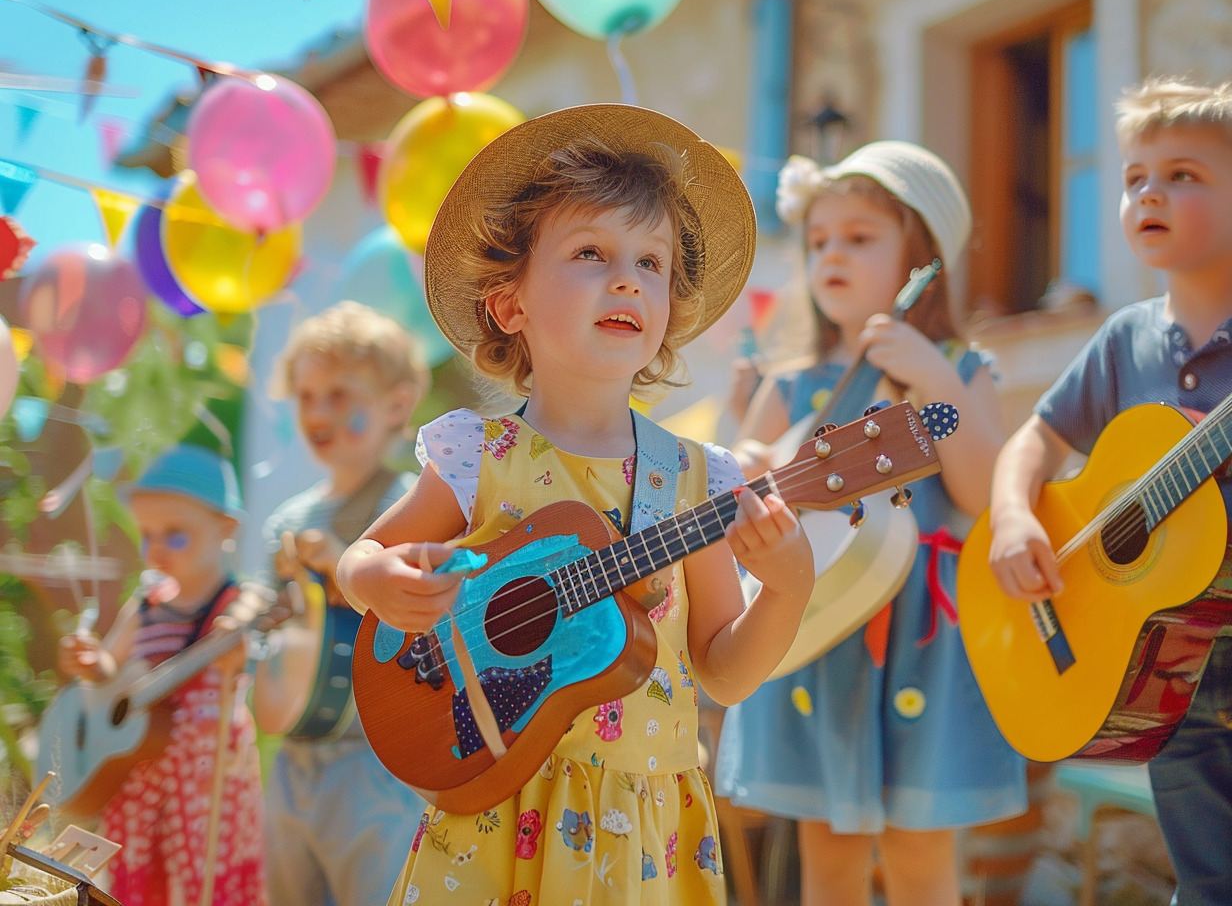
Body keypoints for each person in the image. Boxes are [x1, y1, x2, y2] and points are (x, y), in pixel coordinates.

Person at [334, 103, 815, 906]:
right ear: (511, 305)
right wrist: (377, 583)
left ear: (665, 315)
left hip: (642, 833)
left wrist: (789, 587)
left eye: (651, 262)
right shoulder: (474, 455)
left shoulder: (700, 480)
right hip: (490, 799)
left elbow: (723, 672)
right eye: (591, 252)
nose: (627, 277)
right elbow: (362, 560)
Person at [714, 142, 1027, 906]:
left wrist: (936, 381)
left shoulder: (958, 366)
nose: (831, 255)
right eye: (819, 241)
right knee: (830, 855)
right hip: (820, 621)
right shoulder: (794, 385)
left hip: (924, 633)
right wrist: (747, 453)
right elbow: (747, 485)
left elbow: (985, 490)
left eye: (859, 237)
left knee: (921, 860)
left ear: (921, 257)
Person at [987, 76, 1232, 906]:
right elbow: (1037, 438)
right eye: (1134, 178)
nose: (1149, 192)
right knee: (1207, 881)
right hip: (1165, 667)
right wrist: (1016, 517)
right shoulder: (1126, 340)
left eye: (1183, 175)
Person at [252, 300, 430, 906]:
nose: (318, 412)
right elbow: (265, 624)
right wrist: (249, 614)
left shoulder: (413, 507)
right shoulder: (289, 519)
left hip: (377, 769)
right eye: (306, 396)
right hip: (295, 760)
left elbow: (429, 625)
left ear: (397, 407)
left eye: (339, 394)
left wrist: (344, 565)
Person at [54, 443, 266, 906]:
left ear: (226, 528)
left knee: (204, 878)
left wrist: (236, 635)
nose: (156, 548)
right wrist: (94, 664)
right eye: (147, 534)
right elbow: (112, 665)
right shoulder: (147, 604)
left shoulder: (235, 602)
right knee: (143, 880)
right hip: (139, 771)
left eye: (175, 535)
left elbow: (249, 622)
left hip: (206, 780)